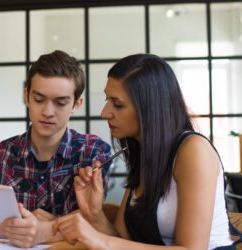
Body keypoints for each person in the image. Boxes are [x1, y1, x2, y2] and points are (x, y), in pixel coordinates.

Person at [53, 53, 234, 249]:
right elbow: (123, 241)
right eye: (107, 99)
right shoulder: (145, 153)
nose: (104, 113)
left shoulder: (193, 151)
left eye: (118, 104)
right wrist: (94, 214)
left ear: (150, 107)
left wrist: (99, 240)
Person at [0, 50, 112, 247]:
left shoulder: (93, 152)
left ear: (76, 104)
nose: (47, 112)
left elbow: (93, 217)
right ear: (26, 96)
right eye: (39, 100)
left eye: (60, 102)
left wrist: (48, 227)